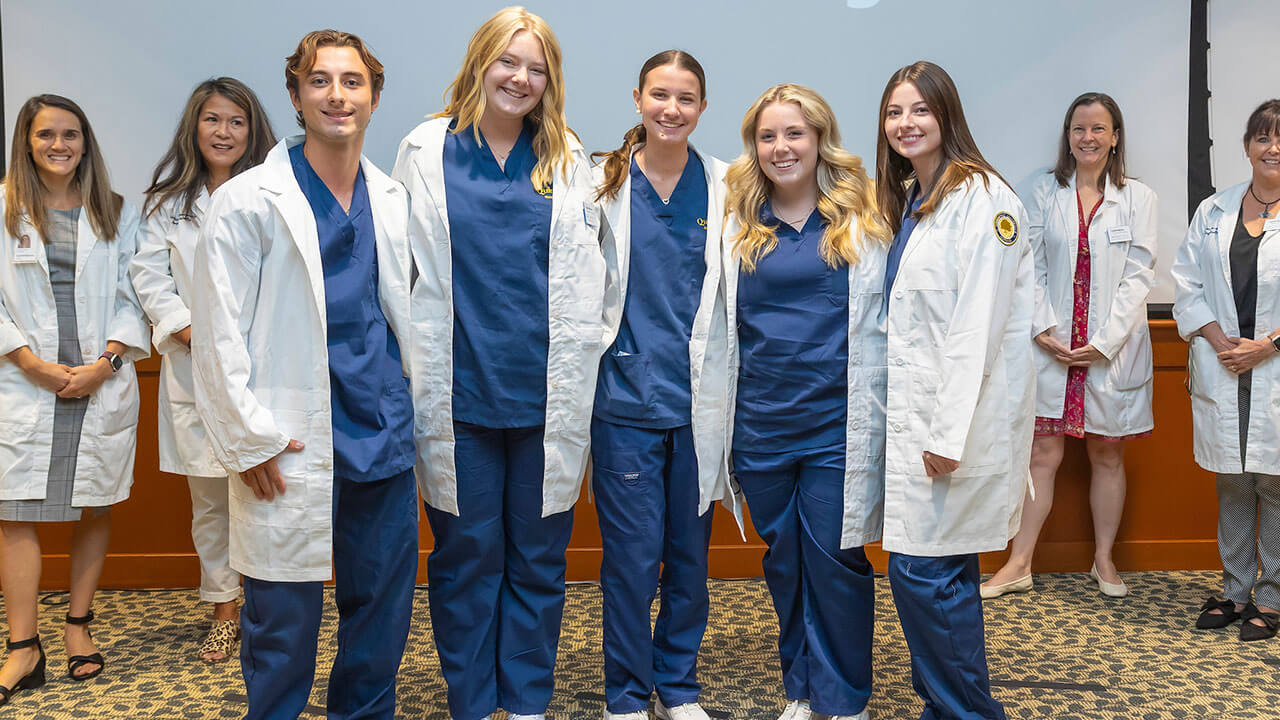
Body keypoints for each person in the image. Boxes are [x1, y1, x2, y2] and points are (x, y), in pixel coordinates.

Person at [188, 31, 418, 718]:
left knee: (380, 615)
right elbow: (218, 330)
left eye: (353, 82)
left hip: (381, 431)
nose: (337, 95)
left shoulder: (393, 198)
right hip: (285, 440)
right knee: (282, 627)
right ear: (294, 95)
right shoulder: (251, 200)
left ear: (374, 97)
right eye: (320, 81)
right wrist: (247, 438)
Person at [392, 7, 612, 720]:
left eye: (537, 67)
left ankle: (523, 703)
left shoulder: (567, 156)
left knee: (540, 563)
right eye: (509, 62)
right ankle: (471, 700)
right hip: (458, 400)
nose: (521, 78)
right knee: (464, 563)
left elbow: (600, 276)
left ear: (551, 80)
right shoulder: (426, 149)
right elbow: (399, 274)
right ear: (480, 62)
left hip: (546, 398)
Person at [876, 61, 1034, 720]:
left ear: (947, 116)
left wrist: (946, 436)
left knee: (924, 577)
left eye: (919, 110)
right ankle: (947, 709)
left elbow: (977, 328)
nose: (905, 124)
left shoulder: (986, 200)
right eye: (893, 113)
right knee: (940, 579)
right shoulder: (917, 195)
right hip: (919, 420)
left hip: (954, 431)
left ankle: (967, 713)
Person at [723, 83, 887, 720]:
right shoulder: (737, 222)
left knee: (835, 560)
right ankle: (802, 687)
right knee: (785, 560)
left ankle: (843, 699)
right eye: (768, 136)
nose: (781, 147)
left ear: (820, 139)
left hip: (835, 425)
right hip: (760, 425)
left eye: (795, 134)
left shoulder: (864, 217)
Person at [589, 50, 736, 720]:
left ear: (703, 108)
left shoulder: (728, 186)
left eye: (686, 98)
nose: (671, 109)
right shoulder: (602, 184)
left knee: (688, 559)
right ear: (637, 99)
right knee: (629, 561)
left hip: (698, 405)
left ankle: (676, 687)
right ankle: (625, 693)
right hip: (624, 403)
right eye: (659, 95)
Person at [0, 94, 149, 703]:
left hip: (97, 380)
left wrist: (105, 364)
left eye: (70, 134)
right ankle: (22, 646)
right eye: (45, 135)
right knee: (14, 511)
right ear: (26, 142)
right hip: (23, 379)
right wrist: (30, 363)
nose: (59, 145)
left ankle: (78, 628)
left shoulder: (114, 211)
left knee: (94, 503)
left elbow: (135, 294)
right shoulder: (4, 207)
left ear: (86, 142)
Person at [982, 92, 1157, 601]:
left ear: (1115, 136)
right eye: (1079, 129)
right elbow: (1026, 262)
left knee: (1107, 452)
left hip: (1108, 351)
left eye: (1098, 129)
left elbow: (1139, 275)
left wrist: (1103, 344)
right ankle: (1019, 562)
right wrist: (1043, 328)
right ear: (1068, 135)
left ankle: (1103, 558)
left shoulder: (1138, 198)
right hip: (1052, 346)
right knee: (1042, 452)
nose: (1088, 138)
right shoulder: (1041, 190)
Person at [130, 77, 276, 662]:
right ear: (194, 127)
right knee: (211, 504)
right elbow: (150, 278)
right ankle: (223, 609)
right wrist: (194, 333)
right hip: (194, 370)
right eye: (213, 120)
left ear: (252, 130)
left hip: (262, 371)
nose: (224, 132)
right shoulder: (167, 205)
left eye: (237, 121)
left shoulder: (273, 193)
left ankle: (270, 610)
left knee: (266, 496)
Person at [1173, 98, 1280, 642]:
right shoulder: (1214, 211)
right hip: (1224, 363)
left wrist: (1267, 346)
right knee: (1234, 483)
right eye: (1263, 137)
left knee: (1276, 483)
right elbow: (1186, 283)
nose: (1273, 148)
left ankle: (1273, 595)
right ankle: (1236, 589)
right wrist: (1220, 342)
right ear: (1246, 146)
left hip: (1275, 367)